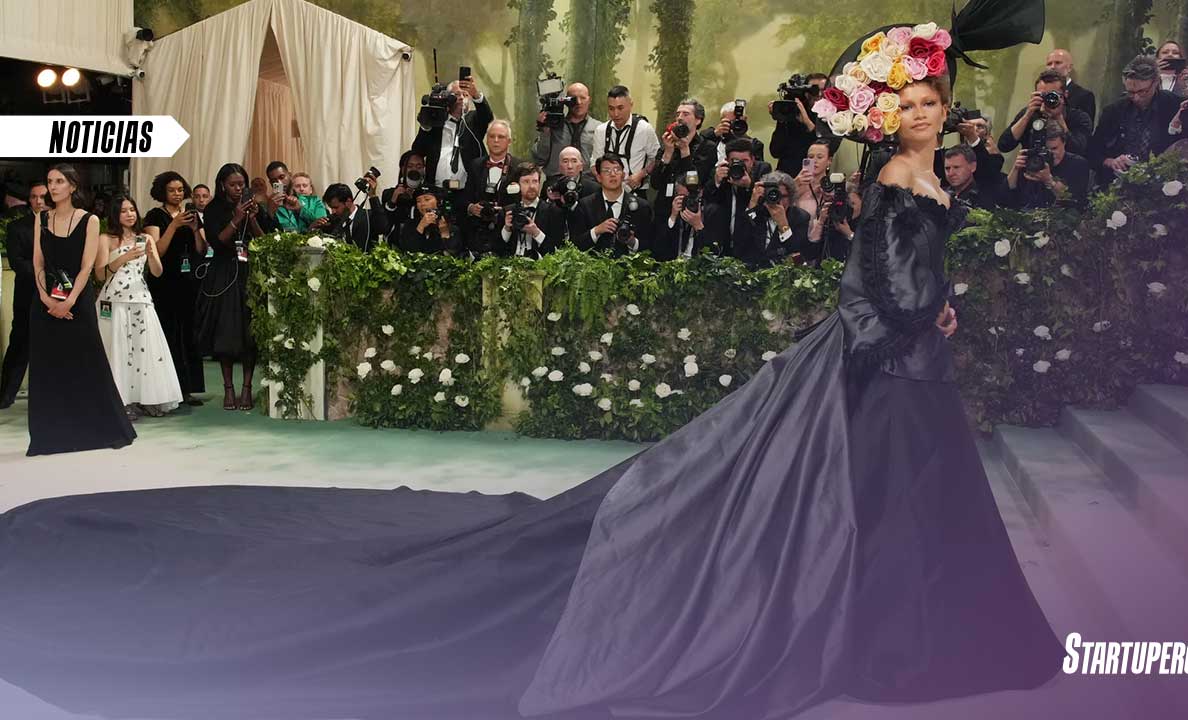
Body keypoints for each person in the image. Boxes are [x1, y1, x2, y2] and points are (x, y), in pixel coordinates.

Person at [0, 39, 1062, 718]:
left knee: (884, 495)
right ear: (889, 118)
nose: (927, 114)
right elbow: (878, 277)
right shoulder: (894, 173)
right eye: (913, 103)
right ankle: (883, 622)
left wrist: (936, 305)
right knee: (852, 492)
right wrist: (919, 312)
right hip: (886, 358)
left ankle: (891, 614)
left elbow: (906, 273)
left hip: (904, 355)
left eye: (935, 102)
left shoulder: (928, 173)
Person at [25, 164, 135, 454]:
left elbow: (87, 266)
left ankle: (96, 429)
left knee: (87, 363)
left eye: (59, 181)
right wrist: (46, 299)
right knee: (48, 368)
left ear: (73, 186)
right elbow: (38, 262)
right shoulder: (41, 218)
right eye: (50, 181)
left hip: (78, 302)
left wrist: (70, 301)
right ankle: (51, 434)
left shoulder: (90, 220)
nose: (53, 187)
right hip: (45, 301)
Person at [196, 162, 278, 411]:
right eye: (233, 185)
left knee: (249, 331)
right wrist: (237, 218)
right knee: (226, 332)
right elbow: (217, 241)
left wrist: (252, 218)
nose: (238, 189)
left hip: (249, 271)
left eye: (241, 184)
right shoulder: (214, 208)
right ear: (222, 185)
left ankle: (247, 388)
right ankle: (228, 388)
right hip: (224, 272)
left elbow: (264, 240)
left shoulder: (254, 206)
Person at [95, 195, 183, 420]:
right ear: (115, 214)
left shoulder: (146, 237)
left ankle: (147, 398)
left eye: (132, 209)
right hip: (114, 301)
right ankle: (121, 401)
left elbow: (157, 272)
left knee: (144, 349)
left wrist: (152, 255)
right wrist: (124, 257)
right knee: (118, 350)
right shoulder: (105, 239)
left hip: (141, 298)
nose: (129, 214)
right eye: (123, 211)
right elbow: (100, 274)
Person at [141, 171, 206, 406]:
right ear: (162, 192)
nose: (177, 194)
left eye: (180, 190)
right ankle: (168, 388)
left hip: (188, 280)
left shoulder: (190, 214)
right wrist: (174, 225)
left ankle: (189, 388)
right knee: (168, 332)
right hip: (164, 281)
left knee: (189, 333)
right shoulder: (155, 215)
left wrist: (195, 228)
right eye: (171, 190)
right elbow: (156, 250)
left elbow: (201, 249)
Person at [1090, 55, 1182, 187]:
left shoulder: (1173, 105)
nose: (1137, 98)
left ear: (1156, 82)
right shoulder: (1114, 111)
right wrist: (1111, 162)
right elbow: (1093, 151)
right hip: (1118, 182)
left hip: (1162, 182)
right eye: (1131, 92)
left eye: (1143, 91)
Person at [0, 181, 45, 408]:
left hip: (60, 296)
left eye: (42, 197)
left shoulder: (64, 225)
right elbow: (17, 262)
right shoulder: (17, 227)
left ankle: (55, 398)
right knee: (19, 345)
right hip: (27, 295)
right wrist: (44, 276)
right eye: (34, 196)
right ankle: (5, 396)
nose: (38, 201)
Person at [412, 73, 494, 188]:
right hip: (436, 188)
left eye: (465, 95)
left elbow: (487, 115)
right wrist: (425, 127)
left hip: (467, 189)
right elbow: (418, 151)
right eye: (456, 94)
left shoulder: (473, 120)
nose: (461, 97)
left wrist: (475, 94)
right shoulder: (437, 120)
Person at [570, 152, 653, 255]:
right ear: (599, 177)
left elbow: (650, 246)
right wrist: (596, 231)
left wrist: (632, 242)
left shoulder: (641, 206)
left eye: (617, 170)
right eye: (607, 171)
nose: (613, 174)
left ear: (623, 175)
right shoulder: (584, 205)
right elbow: (575, 244)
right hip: (592, 263)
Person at [998, 69, 1093, 157]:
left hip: (1065, 169)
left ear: (1065, 95)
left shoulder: (1079, 117)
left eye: (1053, 95)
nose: (1048, 100)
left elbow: (1078, 150)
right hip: (1032, 166)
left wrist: (1058, 118)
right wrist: (1027, 115)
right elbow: (1004, 146)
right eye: (1043, 95)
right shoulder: (1029, 113)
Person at [463, 119, 522, 256]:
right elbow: (466, 196)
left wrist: (505, 211)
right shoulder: (475, 165)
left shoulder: (519, 167)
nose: (496, 141)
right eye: (492, 136)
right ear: (486, 140)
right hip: (478, 230)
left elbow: (523, 201)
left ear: (509, 141)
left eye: (501, 137)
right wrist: (471, 208)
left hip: (507, 231)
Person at [1001, 123, 1091, 210]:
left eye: (1054, 148)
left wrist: (1049, 181)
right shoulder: (1032, 159)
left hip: (1060, 216)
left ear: (1064, 143)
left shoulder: (1078, 164)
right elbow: (1005, 195)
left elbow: (1073, 200)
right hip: (1026, 213)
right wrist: (1015, 169)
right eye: (1045, 150)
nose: (1050, 153)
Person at [732, 171, 810, 269]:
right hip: (750, 271)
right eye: (773, 194)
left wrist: (783, 225)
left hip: (781, 273)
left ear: (790, 197)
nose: (778, 200)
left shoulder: (800, 217)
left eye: (783, 196)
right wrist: (752, 203)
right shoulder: (756, 213)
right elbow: (739, 245)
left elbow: (797, 254)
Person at [590, 85, 660, 192]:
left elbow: (656, 158)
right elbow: (595, 163)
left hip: (635, 191)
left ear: (631, 105)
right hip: (606, 192)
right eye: (611, 109)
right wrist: (604, 180)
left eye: (620, 108)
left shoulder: (644, 129)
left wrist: (642, 174)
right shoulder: (601, 130)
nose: (616, 114)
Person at [531, 81, 601, 178]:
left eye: (583, 98)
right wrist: (545, 131)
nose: (578, 102)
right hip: (556, 180)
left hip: (588, 181)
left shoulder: (599, 128)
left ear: (589, 100)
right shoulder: (553, 127)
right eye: (573, 99)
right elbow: (539, 159)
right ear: (566, 101)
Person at [499, 162, 566, 259]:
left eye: (535, 181)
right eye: (526, 182)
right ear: (517, 184)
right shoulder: (507, 212)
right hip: (510, 263)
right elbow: (497, 250)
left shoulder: (553, 211)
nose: (531, 186)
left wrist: (536, 233)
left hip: (541, 264)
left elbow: (557, 251)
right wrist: (507, 229)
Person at [767, 72, 827, 176]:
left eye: (823, 90)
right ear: (806, 93)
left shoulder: (829, 117)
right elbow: (775, 151)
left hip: (811, 176)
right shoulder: (793, 113)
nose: (820, 94)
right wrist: (781, 117)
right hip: (786, 177)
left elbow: (827, 148)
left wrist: (807, 122)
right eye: (814, 90)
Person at [316, 179, 389, 252]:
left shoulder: (367, 216)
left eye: (336, 207)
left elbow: (382, 228)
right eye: (331, 208)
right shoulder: (332, 220)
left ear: (348, 202)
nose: (333, 211)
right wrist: (314, 225)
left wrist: (372, 196)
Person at [265, 161, 327, 232]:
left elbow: (323, 225)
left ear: (290, 175)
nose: (279, 183)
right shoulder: (271, 205)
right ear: (271, 183)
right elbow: (269, 234)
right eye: (274, 181)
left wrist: (300, 209)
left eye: (282, 177)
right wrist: (270, 214)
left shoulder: (314, 201)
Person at [393, 189, 457, 255]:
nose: (422, 204)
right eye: (418, 201)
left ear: (439, 202)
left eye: (427, 199)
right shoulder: (410, 224)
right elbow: (409, 250)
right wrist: (421, 226)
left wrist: (444, 233)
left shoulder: (449, 223)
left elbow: (453, 252)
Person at [1046, 48, 1097, 123]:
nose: (1052, 67)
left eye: (1058, 63)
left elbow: (1085, 128)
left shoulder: (1084, 96)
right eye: (1049, 64)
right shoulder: (1043, 94)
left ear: (1069, 68)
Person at [943, 145, 998, 210]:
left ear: (973, 167)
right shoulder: (940, 194)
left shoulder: (987, 197)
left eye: (956, 167)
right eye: (947, 168)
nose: (951, 173)